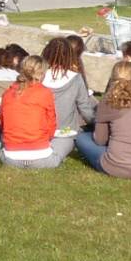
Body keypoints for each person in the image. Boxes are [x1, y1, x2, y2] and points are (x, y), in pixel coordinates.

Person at [41, 36, 98, 165]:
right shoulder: (76, 78)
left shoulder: (38, 77)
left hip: (39, 130)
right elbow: (85, 110)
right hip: (66, 133)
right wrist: (96, 125)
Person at [0, 55, 62, 169]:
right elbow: (51, 123)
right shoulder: (45, 93)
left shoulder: (8, 93)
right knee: (66, 141)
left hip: (11, 157)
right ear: (42, 74)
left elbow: (3, 123)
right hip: (41, 156)